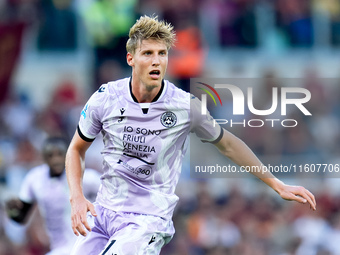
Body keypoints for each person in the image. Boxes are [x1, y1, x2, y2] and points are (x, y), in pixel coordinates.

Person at [66, 15, 316, 255]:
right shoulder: (106, 97)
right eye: (148, 53)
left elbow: (228, 144)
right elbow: (76, 149)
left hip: (147, 221)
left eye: (162, 54)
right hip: (103, 214)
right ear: (131, 58)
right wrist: (77, 197)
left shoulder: (185, 106)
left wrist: (276, 183)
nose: (156, 61)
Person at [6, 136, 101, 255]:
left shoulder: (85, 177)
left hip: (85, 244)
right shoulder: (35, 179)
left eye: (60, 154)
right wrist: (12, 211)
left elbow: (111, 197)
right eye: (50, 155)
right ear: (44, 157)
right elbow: (20, 217)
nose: (56, 159)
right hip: (59, 248)